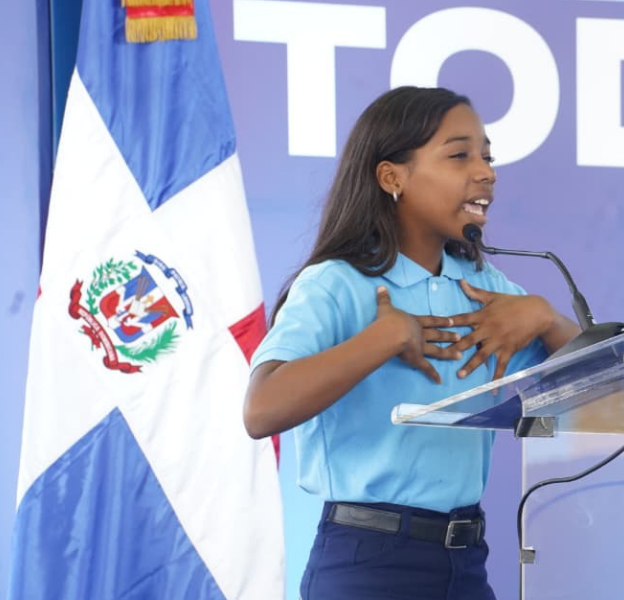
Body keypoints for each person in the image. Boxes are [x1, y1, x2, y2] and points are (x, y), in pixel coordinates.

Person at [243, 86, 581, 600]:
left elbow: (614, 389)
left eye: (488, 157)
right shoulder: (336, 283)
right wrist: (382, 338)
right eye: (460, 155)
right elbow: (261, 410)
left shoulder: (486, 288)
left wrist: (546, 317)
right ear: (392, 177)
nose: (486, 172)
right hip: (367, 561)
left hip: (466, 564)